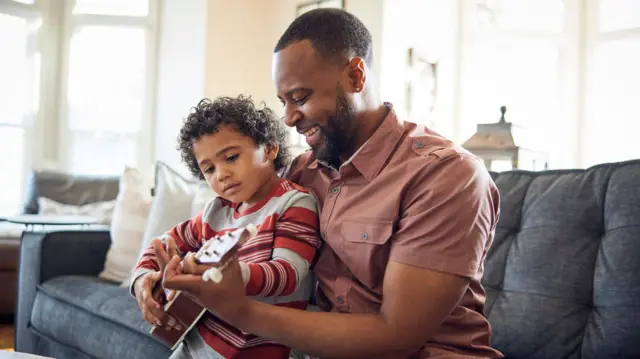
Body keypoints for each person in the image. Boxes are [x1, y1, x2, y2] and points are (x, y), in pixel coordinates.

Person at [161, 8, 504, 359]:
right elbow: (227, 231)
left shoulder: (447, 177)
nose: (289, 118)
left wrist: (242, 312)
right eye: (283, 102)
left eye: (300, 97)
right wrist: (154, 279)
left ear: (356, 77)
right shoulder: (302, 173)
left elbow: (397, 336)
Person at [131, 95, 322, 359]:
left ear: (269, 148)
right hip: (196, 347)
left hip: (262, 351)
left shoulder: (294, 203)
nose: (220, 174)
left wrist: (224, 274)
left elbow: (288, 274)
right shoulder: (215, 212)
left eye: (231, 157)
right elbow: (164, 243)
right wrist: (142, 280)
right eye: (208, 169)